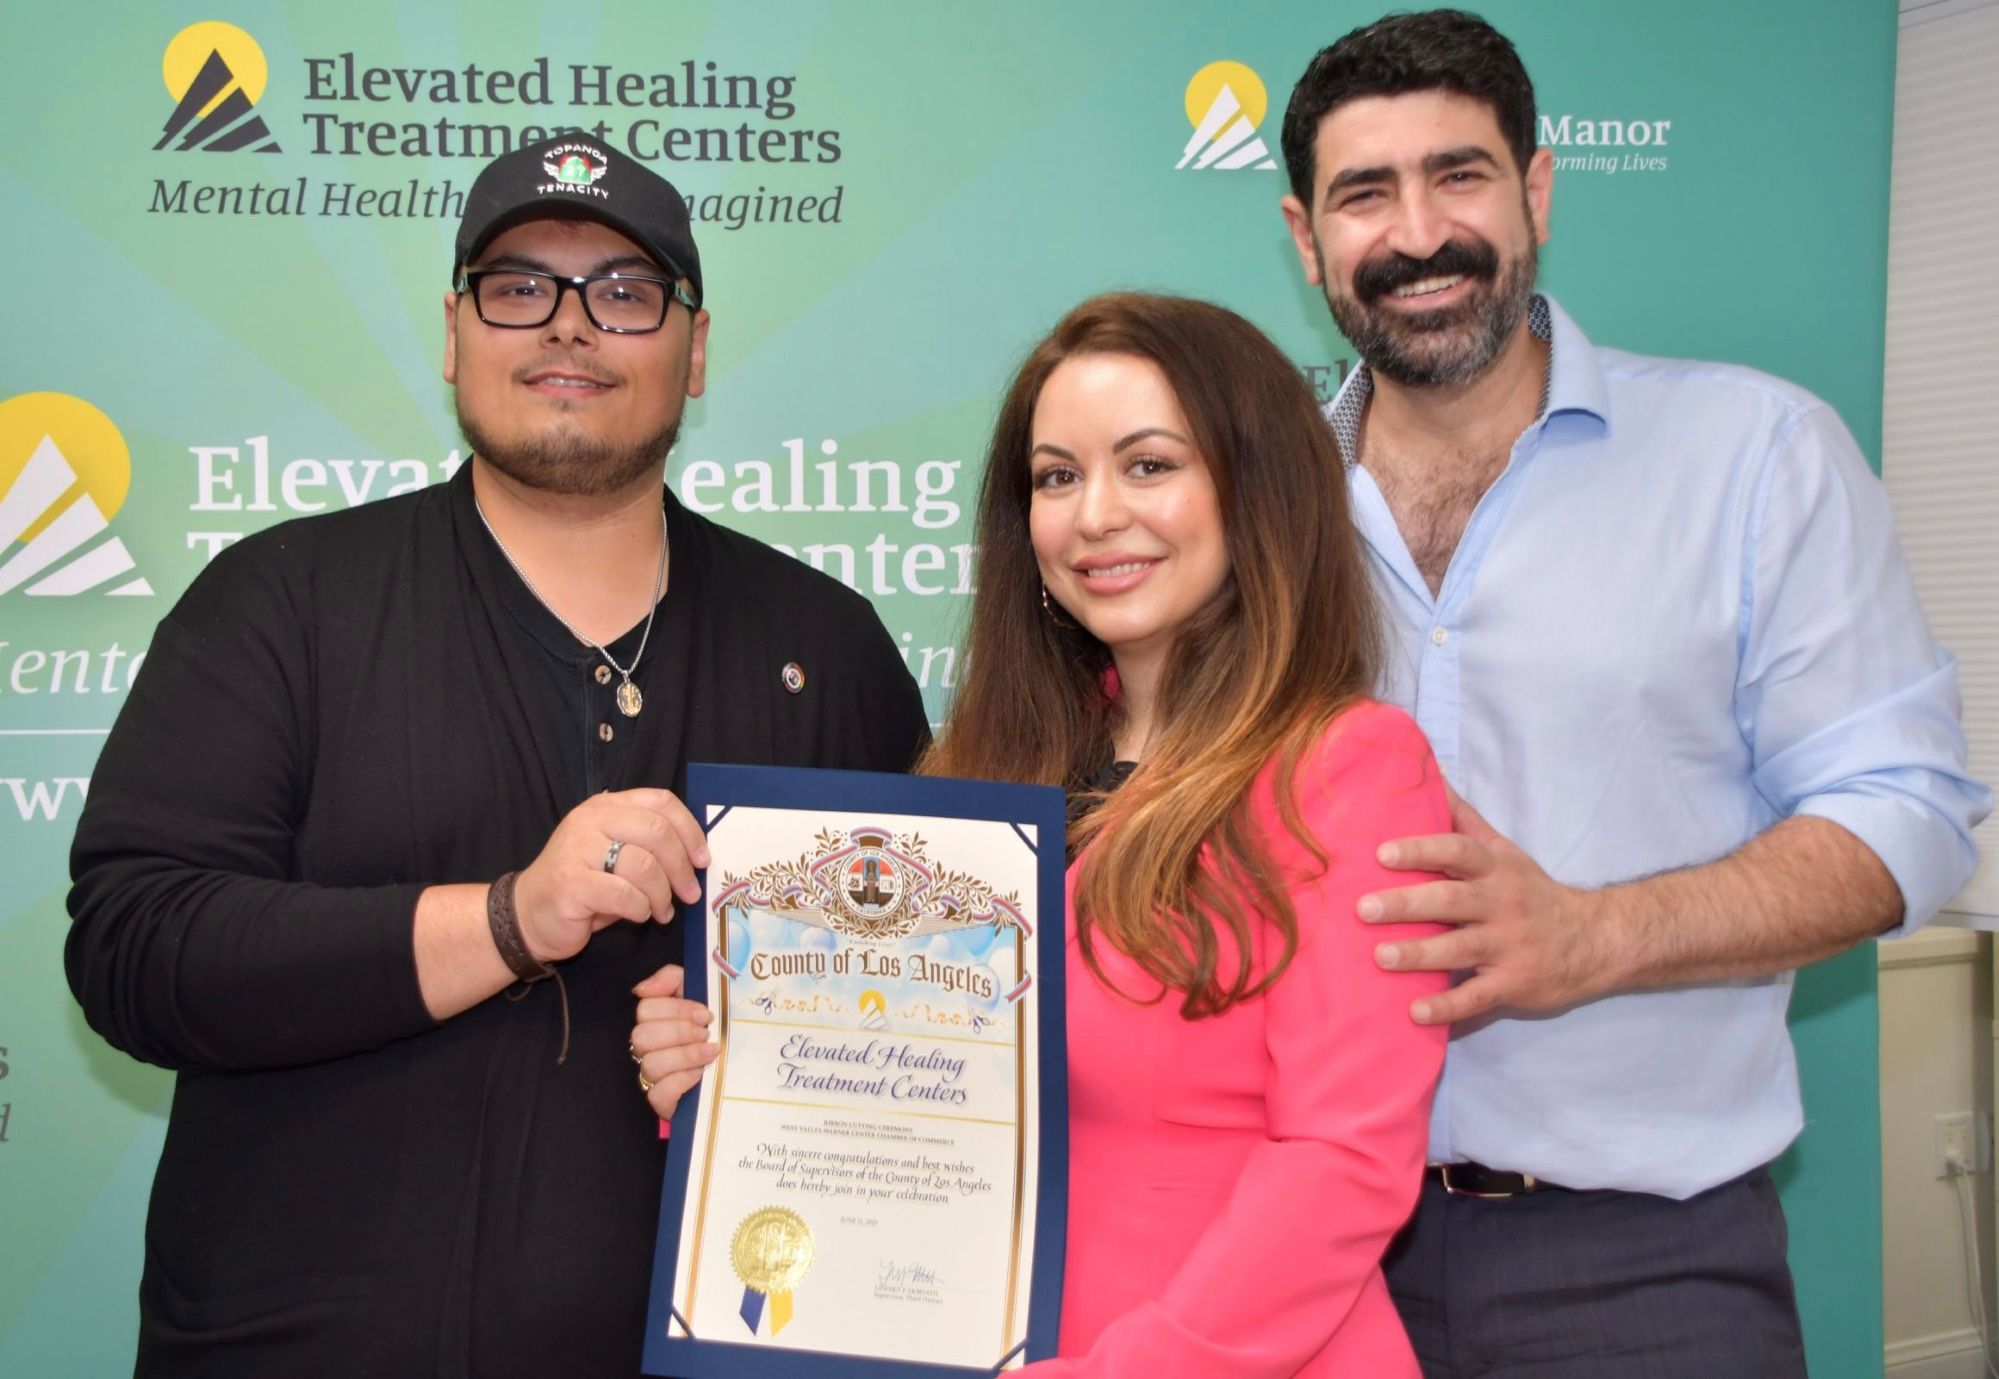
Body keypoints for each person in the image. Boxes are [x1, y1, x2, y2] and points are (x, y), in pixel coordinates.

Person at [65, 132, 927, 1378]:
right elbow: (135, 949)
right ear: (455, 332)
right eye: (519, 286)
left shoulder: (823, 645)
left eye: (624, 292)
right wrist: (510, 915)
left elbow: (918, 1015)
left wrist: (768, 1054)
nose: (568, 324)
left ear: (694, 351)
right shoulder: (282, 601)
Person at [1274, 11, 1990, 1377]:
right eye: (1364, 193)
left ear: (1536, 191)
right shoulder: (1252, 507)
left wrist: (1593, 935)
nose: (1418, 233)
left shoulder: (1754, 454)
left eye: (1459, 175)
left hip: (1641, 1262)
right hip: (1303, 1247)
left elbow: (1904, 811)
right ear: (1305, 238)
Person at [920, 291, 1451, 1376]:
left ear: (1257, 491)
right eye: (1056, 477)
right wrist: (743, 1046)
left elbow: (1342, 1162)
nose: (1095, 515)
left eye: (1148, 464)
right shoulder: (975, 773)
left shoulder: (1349, 769)